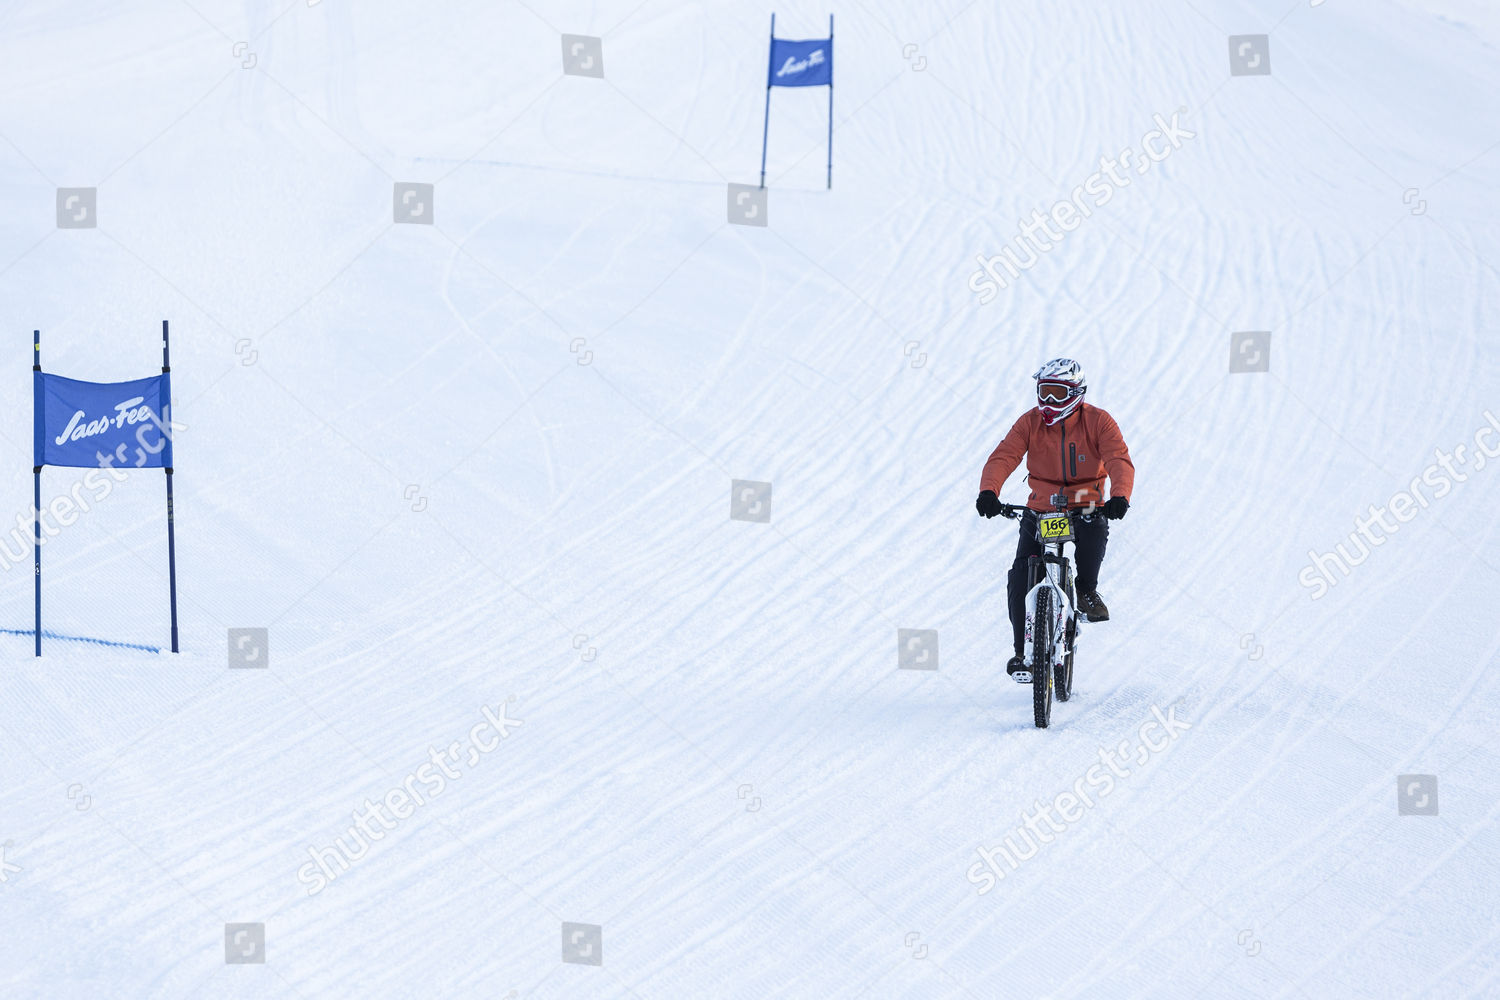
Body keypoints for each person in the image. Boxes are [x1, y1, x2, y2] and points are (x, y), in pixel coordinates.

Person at [974, 358, 1135, 679]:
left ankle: (1087, 589)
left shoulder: (1098, 422)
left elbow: (1118, 458)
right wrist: (989, 491)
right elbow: (1005, 455)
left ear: (1077, 393)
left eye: (1058, 394)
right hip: (1041, 508)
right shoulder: (1029, 423)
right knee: (1021, 573)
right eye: (1044, 392)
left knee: (1093, 531)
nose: (1049, 402)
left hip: (1085, 504)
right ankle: (1023, 654)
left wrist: (1119, 496)